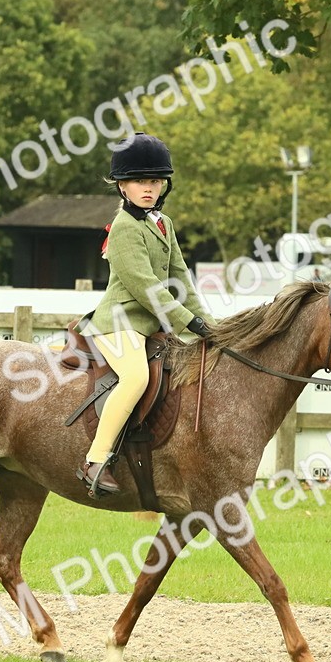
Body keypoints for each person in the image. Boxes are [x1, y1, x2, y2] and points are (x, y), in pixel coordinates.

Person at [78, 133, 215, 495]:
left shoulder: (163, 224)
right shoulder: (124, 228)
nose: (149, 188)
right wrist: (190, 322)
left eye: (155, 181)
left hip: (151, 326)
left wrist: (211, 327)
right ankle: (95, 460)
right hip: (119, 322)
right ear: (122, 186)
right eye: (140, 181)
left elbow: (180, 277)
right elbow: (146, 286)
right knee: (136, 377)